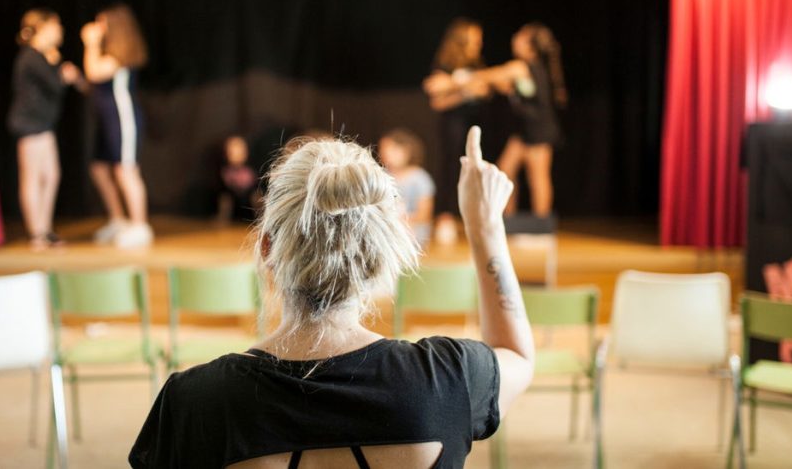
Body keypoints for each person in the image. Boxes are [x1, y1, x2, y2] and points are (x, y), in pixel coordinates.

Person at [129, 126, 534, 468]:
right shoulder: (446, 378)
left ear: (268, 248)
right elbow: (517, 354)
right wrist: (484, 227)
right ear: (380, 255)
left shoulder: (195, 403)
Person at [7, 8, 82, 250]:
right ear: (42, 28)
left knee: (50, 175)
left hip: (43, 124)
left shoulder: (43, 56)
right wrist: (63, 73)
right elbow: (54, 84)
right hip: (30, 124)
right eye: (55, 26)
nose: (60, 31)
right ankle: (37, 233)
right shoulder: (31, 57)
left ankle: (44, 228)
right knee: (32, 176)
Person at [81, 5, 153, 248]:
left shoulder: (120, 55)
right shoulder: (107, 55)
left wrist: (90, 43)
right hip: (105, 120)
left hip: (122, 119)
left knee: (126, 170)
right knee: (99, 168)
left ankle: (140, 225)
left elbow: (94, 72)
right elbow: (93, 82)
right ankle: (118, 219)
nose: (98, 28)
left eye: (102, 24)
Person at [480, 22, 567, 216]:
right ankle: (508, 219)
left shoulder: (522, 66)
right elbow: (514, 87)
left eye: (520, 36)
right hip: (523, 131)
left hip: (538, 131)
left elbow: (491, 75)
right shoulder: (527, 68)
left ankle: (541, 224)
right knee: (504, 172)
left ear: (530, 45)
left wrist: (457, 79)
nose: (514, 39)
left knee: (538, 177)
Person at [423, 18, 492, 244]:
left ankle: (476, 217)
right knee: (451, 168)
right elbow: (436, 96)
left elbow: (484, 89)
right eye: (475, 38)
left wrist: (454, 84)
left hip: (477, 125)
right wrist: (464, 90)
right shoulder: (445, 64)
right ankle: (445, 216)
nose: (479, 43)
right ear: (461, 39)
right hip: (452, 126)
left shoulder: (477, 64)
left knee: (477, 168)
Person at [378, 128, 435, 248]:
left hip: (412, 231)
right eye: (383, 149)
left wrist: (400, 220)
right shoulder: (381, 176)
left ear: (406, 151)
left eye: (392, 149)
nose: (386, 154)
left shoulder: (420, 178)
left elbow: (424, 215)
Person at [217, 135, 261, 224]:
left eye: (240, 150)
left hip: (250, 217)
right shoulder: (224, 173)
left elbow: (256, 196)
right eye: (233, 151)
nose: (237, 154)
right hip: (231, 218)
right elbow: (224, 197)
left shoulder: (250, 173)